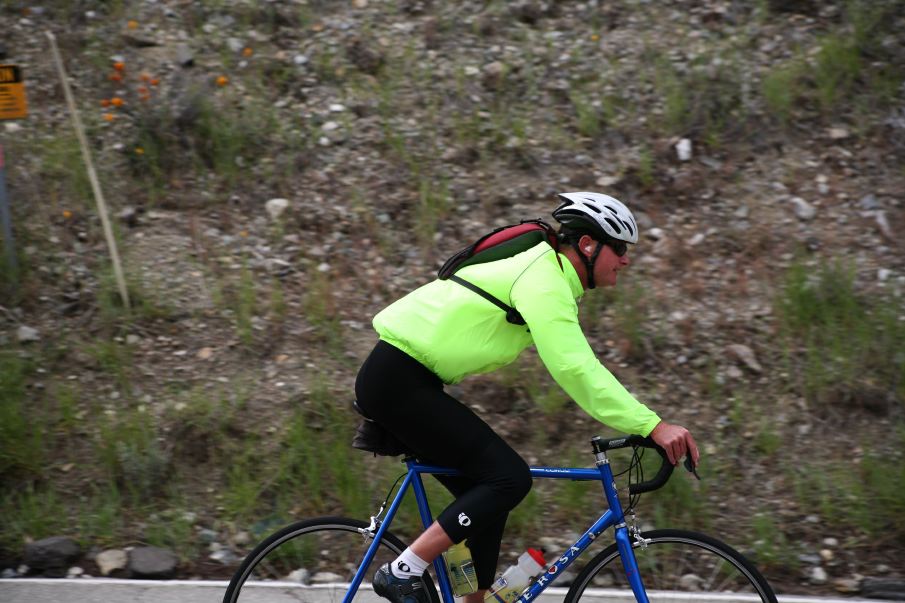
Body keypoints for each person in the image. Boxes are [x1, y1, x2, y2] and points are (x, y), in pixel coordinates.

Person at [354, 192, 700, 603]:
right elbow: (575, 368)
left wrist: (644, 424)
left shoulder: (545, 273)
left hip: (408, 379)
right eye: (620, 248)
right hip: (398, 380)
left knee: (486, 497)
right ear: (588, 246)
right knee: (509, 478)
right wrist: (652, 425)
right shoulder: (544, 278)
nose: (625, 260)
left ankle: (471, 599)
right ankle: (403, 570)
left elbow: (575, 367)